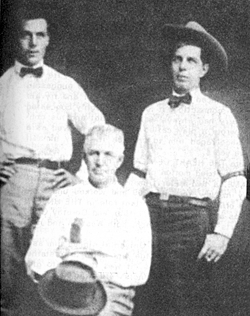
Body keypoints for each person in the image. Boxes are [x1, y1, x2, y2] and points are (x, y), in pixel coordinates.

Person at [126, 21, 246, 316]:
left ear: (204, 68)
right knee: (142, 301)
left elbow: (234, 179)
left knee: (182, 306)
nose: (182, 67)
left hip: (190, 221)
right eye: (177, 59)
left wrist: (222, 233)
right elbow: (138, 174)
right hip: (148, 217)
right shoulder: (151, 113)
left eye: (191, 60)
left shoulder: (219, 115)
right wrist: (121, 214)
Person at [0, 6, 105, 313]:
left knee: (50, 258)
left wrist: (82, 176)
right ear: (15, 40)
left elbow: (98, 128)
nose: (32, 43)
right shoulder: (3, 85)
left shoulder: (64, 85)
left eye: (40, 35)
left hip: (55, 182)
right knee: (6, 262)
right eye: (25, 35)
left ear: (47, 41)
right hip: (13, 183)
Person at [25, 124, 152, 316]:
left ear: (120, 160)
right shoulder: (62, 198)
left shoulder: (133, 205)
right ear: (84, 158)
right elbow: (36, 257)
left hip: (112, 293)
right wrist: (69, 274)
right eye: (94, 153)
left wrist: (81, 261)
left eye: (108, 154)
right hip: (63, 288)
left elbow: (138, 271)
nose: (100, 162)